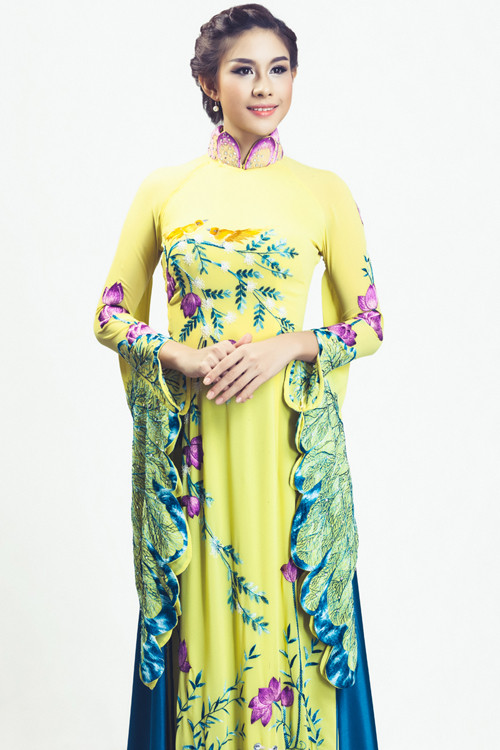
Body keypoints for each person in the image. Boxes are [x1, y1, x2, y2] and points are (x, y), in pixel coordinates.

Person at [94, 4, 383, 749]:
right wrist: (178, 355)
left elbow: (369, 324)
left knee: (291, 624)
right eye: (244, 70)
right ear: (207, 81)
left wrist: (288, 345)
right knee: (203, 625)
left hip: (287, 453)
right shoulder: (166, 189)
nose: (264, 87)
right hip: (197, 453)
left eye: (278, 70)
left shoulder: (324, 191)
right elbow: (110, 314)